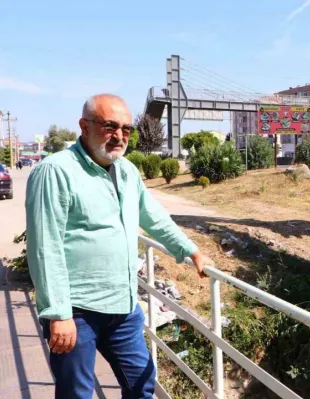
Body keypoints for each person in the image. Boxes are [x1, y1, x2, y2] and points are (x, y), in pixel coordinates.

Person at [25, 93, 213, 398]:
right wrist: (58, 313)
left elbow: (153, 216)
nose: (119, 136)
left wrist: (189, 249)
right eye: (110, 126)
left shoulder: (127, 171)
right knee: (76, 393)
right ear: (84, 126)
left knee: (141, 384)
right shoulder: (56, 171)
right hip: (77, 310)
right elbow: (45, 247)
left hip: (123, 307)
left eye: (126, 129)